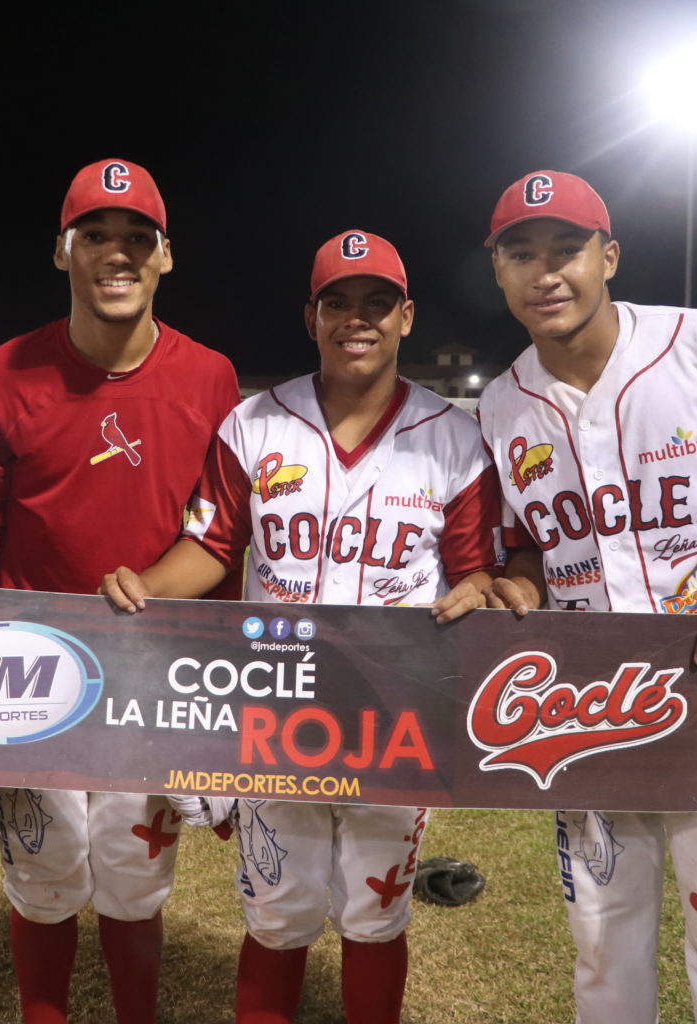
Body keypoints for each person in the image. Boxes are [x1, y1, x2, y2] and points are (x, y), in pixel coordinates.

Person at [101, 230, 531, 1024]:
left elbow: (475, 567)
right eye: (339, 303)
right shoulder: (255, 423)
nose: (357, 319)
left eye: (377, 303)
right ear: (312, 317)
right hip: (277, 708)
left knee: (376, 913)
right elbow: (214, 544)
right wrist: (147, 587)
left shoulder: (453, 435)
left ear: (406, 316)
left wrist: (481, 588)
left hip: (396, 714)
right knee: (276, 911)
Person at [0, 158, 241, 1024]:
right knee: (43, 884)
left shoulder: (210, 376)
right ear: (62, 251)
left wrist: (218, 690)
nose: (117, 253)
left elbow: (218, 532)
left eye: (137, 238)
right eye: (95, 236)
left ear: (165, 256)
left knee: (134, 881)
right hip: (27, 670)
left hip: (148, 669)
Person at [475, 169, 697, 1024]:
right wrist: (517, 583)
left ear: (609, 257)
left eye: (567, 250)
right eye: (522, 254)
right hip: (584, 697)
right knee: (603, 941)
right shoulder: (500, 403)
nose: (545, 272)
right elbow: (524, 544)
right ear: (498, 271)